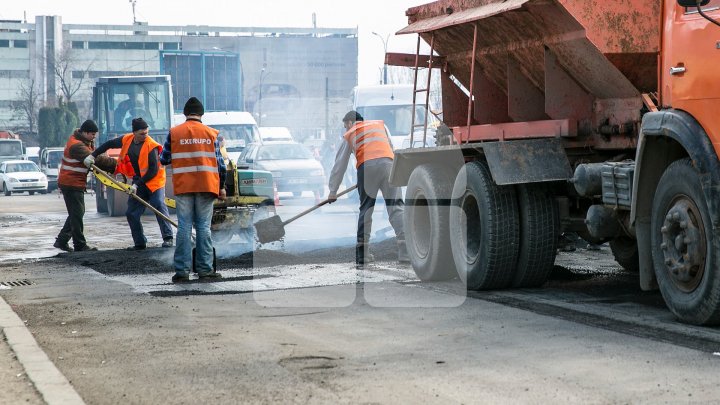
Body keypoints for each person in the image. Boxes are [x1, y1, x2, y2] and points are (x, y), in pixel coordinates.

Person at [327, 110, 408, 268]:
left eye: (345, 126)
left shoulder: (351, 132)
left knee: (366, 209)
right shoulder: (379, 125)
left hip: (367, 168)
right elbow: (391, 148)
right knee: (396, 207)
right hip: (389, 165)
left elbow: (340, 165)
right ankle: (405, 252)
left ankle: (362, 254)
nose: (345, 129)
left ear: (350, 122)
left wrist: (332, 191)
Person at [160, 97, 227, 283]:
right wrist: (222, 187)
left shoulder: (174, 133)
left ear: (185, 113)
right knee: (204, 227)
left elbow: (163, 159)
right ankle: (205, 270)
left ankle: (182, 271)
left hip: (184, 186)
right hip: (207, 185)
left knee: (184, 226)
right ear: (202, 114)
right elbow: (220, 164)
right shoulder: (211, 133)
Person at [89, 117, 174, 250]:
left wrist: (136, 185)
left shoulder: (151, 146)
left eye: (146, 132)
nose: (145, 136)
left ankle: (168, 238)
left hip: (154, 182)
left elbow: (152, 171)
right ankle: (139, 242)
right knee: (131, 213)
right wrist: (93, 155)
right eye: (142, 133)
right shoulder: (127, 139)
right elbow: (109, 144)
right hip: (139, 181)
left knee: (158, 205)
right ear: (134, 133)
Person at [53, 120, 100, 253]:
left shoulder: (83, 142)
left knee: (76, 213)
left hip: (74, 182)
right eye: (92, 134)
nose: (94, 137)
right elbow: (95, 159)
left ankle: (62, 240)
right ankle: (79, 244)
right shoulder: (77, 145)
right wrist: (113, 165)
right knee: (77, 213)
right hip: (71, 183)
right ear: (84, 132)